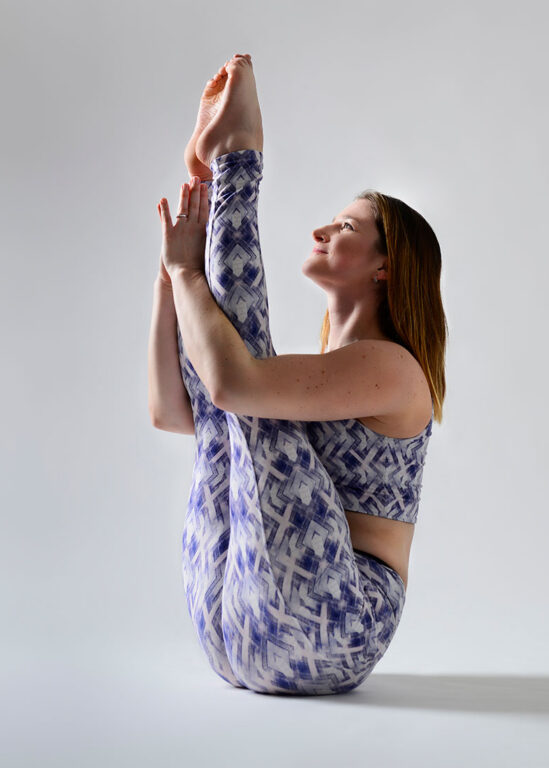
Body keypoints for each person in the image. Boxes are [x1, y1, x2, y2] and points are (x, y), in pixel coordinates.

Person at [148, 54, 447, 695]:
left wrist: (189, 273)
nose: (322, 229)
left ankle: (238, 163)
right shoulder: (324, 372)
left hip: (336, 624)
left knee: (246, 386)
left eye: (346, 226)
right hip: (236, 620)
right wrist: (170, 278)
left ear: (386, 267)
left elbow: (234, 385)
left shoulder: (392, 367)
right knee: (232, 411)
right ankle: (228, 167)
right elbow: (175, 411)